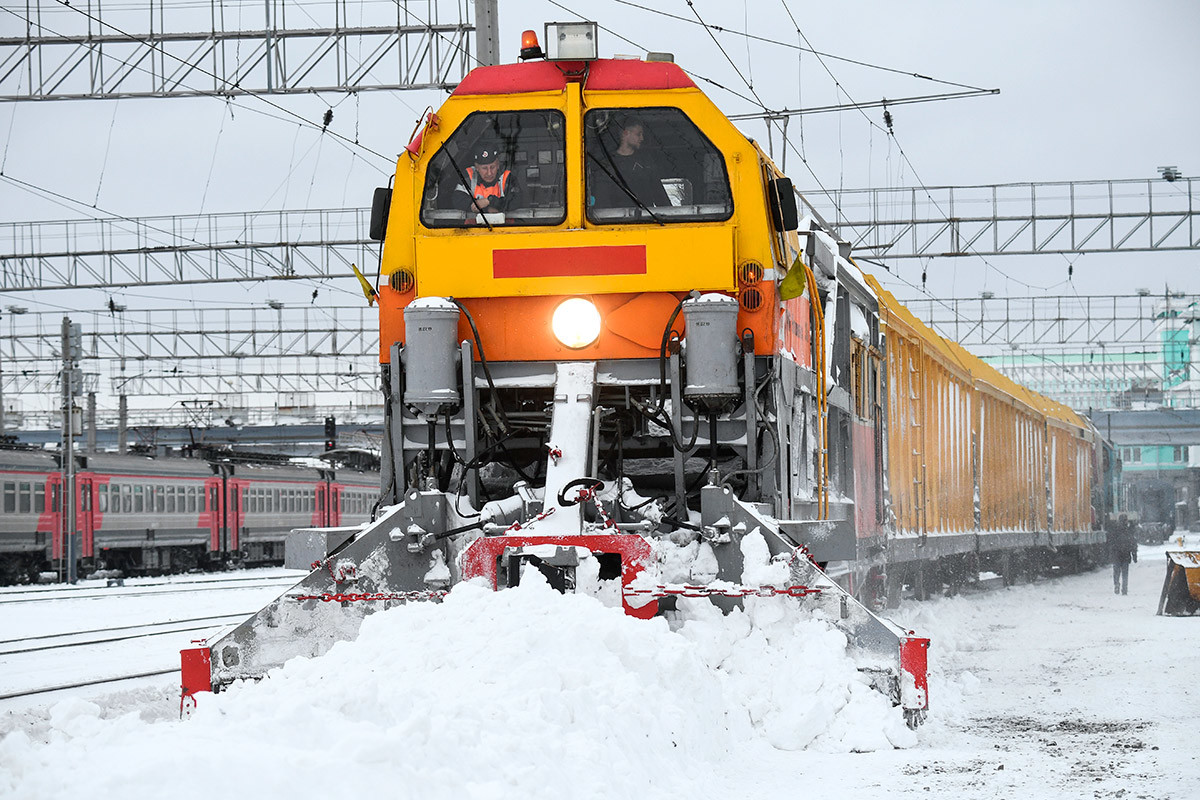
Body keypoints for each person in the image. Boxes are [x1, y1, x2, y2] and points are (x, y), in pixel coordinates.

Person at [590, 118, 670, 210]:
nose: (642, 138)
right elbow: (602, 202)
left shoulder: (646, 163)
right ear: (625, 133)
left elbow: (660, 197)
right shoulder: (607, 165)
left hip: (648, 220)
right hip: (614, 221)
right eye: (638, 134)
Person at [452, 143, 518, 215]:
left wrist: (489, 201)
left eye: (492, 167)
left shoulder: (507, 176)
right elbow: (457, 200)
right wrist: (486, 209)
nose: (489, 173)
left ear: (498, 165)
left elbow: (516, 200)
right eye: (484, 168)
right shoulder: (469, 175)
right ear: (477, 167)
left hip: (506, 225)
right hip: (474, 225)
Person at [1109, 513, 1138, 595]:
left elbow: (1111, 543)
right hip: (1126, 554)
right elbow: (1133, 543)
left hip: (1116, 554)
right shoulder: (1129, 531)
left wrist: (1111, 554)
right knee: (1125, 573)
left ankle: (1116, 584)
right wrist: (1134, 555)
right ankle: (1124, 589)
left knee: (1116, 572)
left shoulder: (1114, 530)